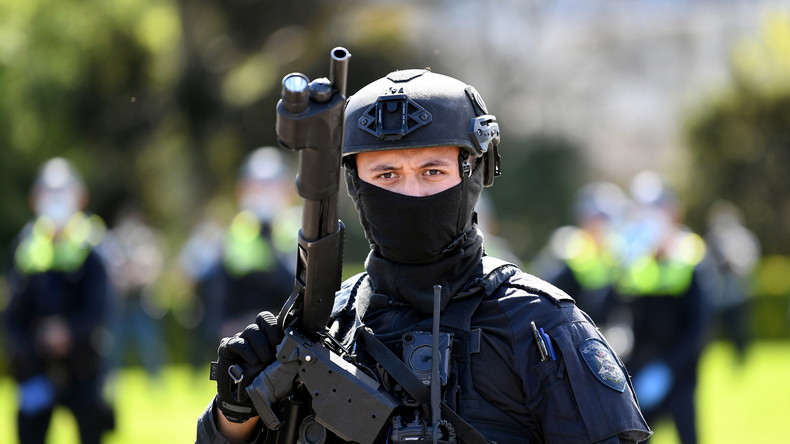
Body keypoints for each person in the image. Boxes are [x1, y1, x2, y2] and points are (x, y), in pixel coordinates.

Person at [196, 69, 651, 443]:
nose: (410, 192)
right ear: (355, 185)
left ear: (473, 173)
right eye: (387, 174)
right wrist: (234, 415)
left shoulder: (539, 326)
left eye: (432, 171)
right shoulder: (326, 326)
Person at [4, 157, 115, 444]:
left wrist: (69, 332)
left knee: (92, 425)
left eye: (63, 191)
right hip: (36, 366)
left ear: (80, 196)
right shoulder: (25, 246)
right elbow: (12, 313)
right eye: (48, 192)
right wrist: (35, 341)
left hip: (83, 365)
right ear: (34, 198)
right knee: (29, 428)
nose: (55, 199)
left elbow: (100, 307)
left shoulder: (93, 245)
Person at [612, 171, 712, 444]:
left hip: (680, 369)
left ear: (672, 213)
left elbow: (698, 326)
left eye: (655, 210)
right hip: (641, 367)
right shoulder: (634, 257)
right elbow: (619, 309)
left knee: (687, 434)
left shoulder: (691, 255)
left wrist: (668, 367)